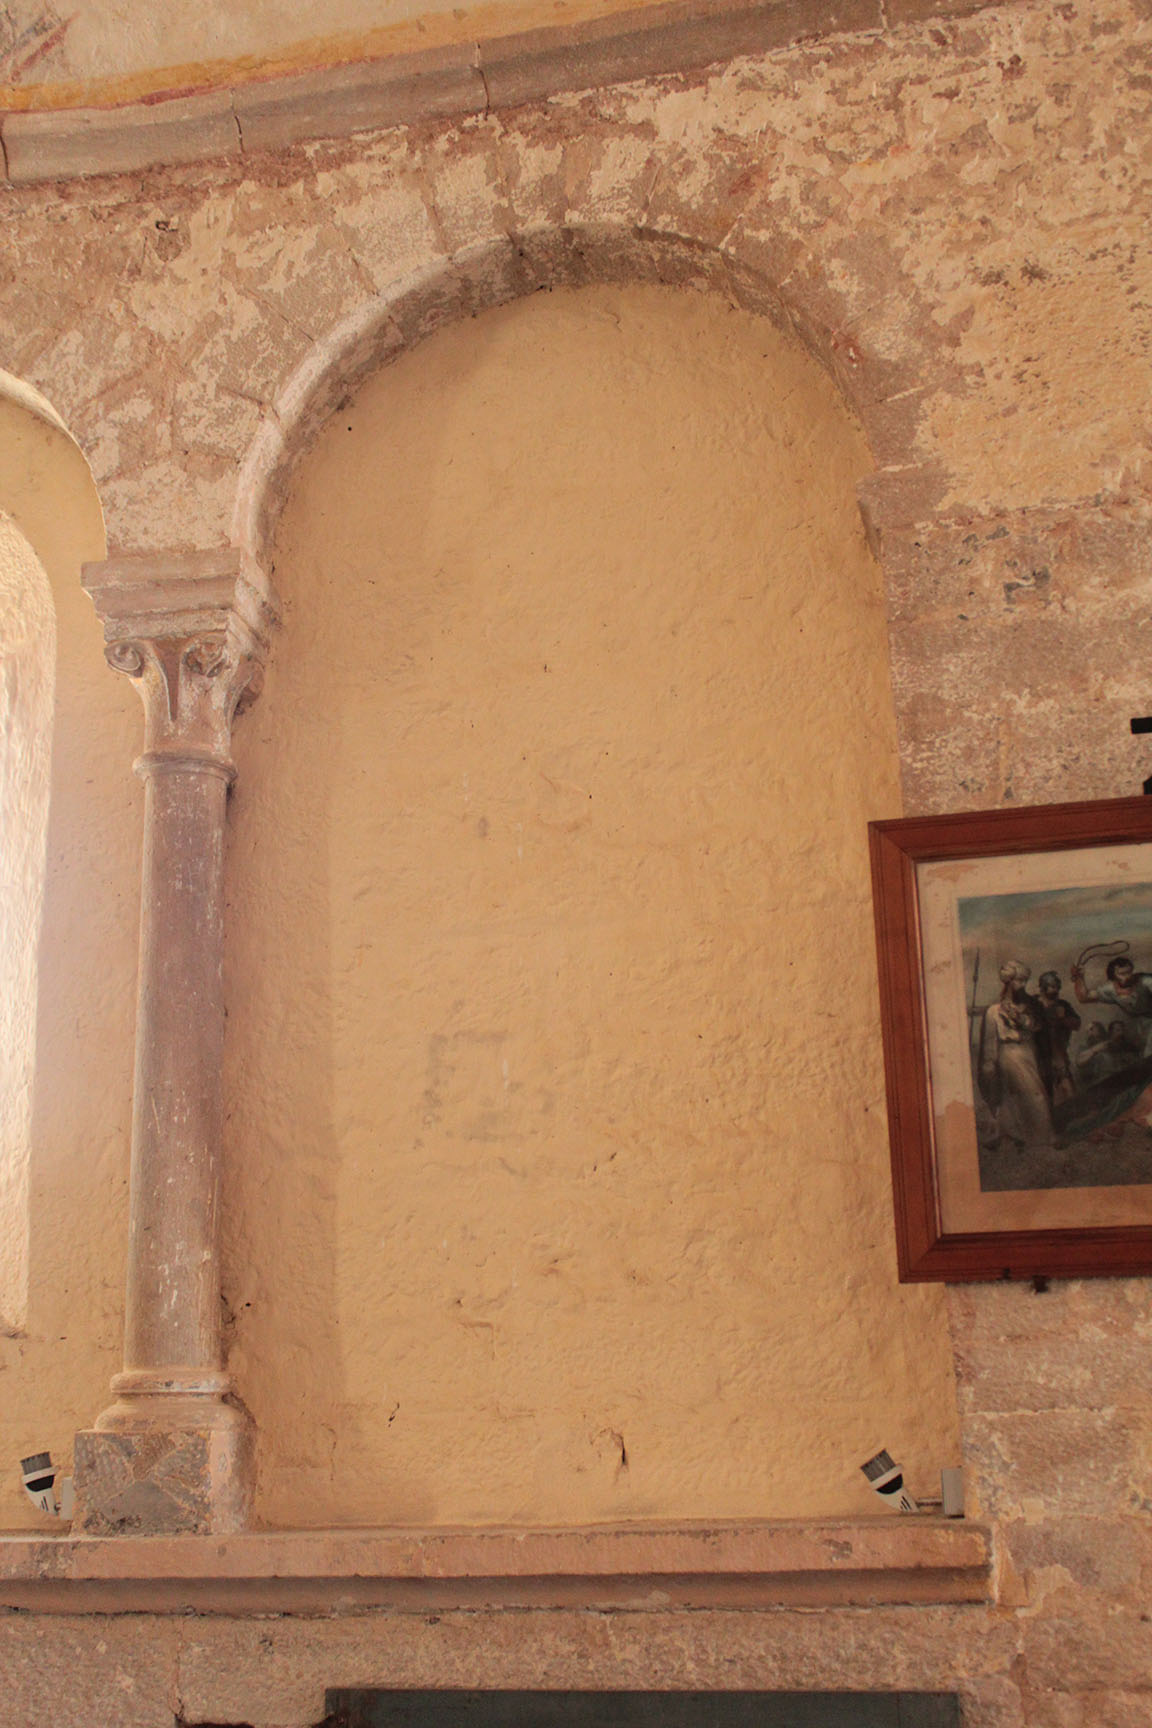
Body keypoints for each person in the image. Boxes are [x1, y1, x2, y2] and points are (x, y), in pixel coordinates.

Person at [978, 961, 1053, 1149]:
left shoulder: (1031, 1006)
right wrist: (989, 1066)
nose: (1023, 985)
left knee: (1037, 1094)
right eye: (1019, 980)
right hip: (1009, 1055)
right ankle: (1032, 1138)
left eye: (1025, 980)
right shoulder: (994, 1011)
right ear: (1009, 981)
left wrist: (1021, 1019)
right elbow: (989, 1043)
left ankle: (1039, 1137)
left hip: (1029, 1053)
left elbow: (1038, 1027)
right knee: (1028, 1095)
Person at [1070, 955, 1152, 1057]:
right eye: (1122, 974)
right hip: (1137, 1026)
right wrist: (1079, 977)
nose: (1128, 976)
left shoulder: (1146, 981)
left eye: (1129, 972)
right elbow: (1084, 997)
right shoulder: (1110, 989)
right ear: (1113, 976)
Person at [1035, 970, 1081, 1104]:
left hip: (1058, 1052)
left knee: (1067, 1086)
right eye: (1052, 987)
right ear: (1043, 987)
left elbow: (1076, 1024)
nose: (1056, 990)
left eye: (1057, 987)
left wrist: (1063, 1018)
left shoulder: (1063, 1005)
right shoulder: (1033, 1004)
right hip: (1037, 1053)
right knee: (1042, 1090)